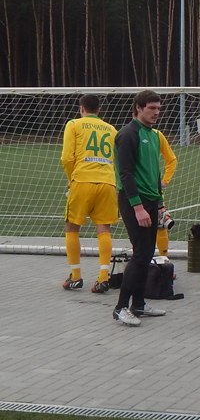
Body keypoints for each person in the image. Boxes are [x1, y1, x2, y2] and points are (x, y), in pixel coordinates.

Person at [112, 90, 169, 326]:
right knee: (140, 254)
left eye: (158, 108)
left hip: (151, 201)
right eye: (152, 108)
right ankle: (120, 307)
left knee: (147, 253)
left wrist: (160, 204)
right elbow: (125, 174)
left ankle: (139, 304)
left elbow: (155, 171)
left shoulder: (154, 135)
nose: (156, 113)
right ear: (138, 108)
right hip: (134, 201)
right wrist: (138, 207)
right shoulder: (128, 134)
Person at [60, 94, 118, 293]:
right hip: (107, 182)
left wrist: (71, 178)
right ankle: (103, 277)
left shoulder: (74, 124)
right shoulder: (111, 129)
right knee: (104, 229)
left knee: (71, 227)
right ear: (99, 110)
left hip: (82, 180)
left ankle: (76, 276)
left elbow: (67, 158)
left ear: (82, 108)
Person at [155, 131, 178, 257]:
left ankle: (164, 259)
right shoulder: (129, 134)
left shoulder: (156, 135)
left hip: (154, 190)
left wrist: (165, 180)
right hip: (135, 189)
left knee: (161, 224)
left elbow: (172, 159)